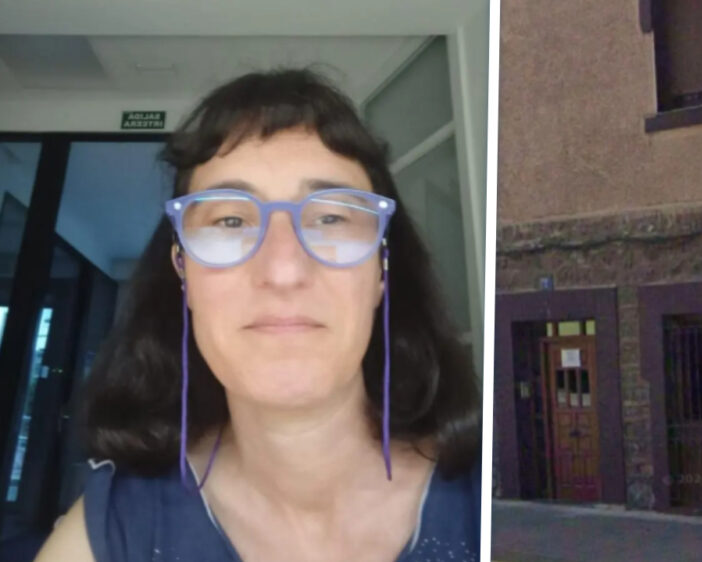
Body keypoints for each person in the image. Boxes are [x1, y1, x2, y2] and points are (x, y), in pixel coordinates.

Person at [33, 68, 482, 562]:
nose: (284, 270)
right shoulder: (114, 531)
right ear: (183, 272)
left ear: (381, 269)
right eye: (231, 220)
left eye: (330, 217)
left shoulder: (482, 499)